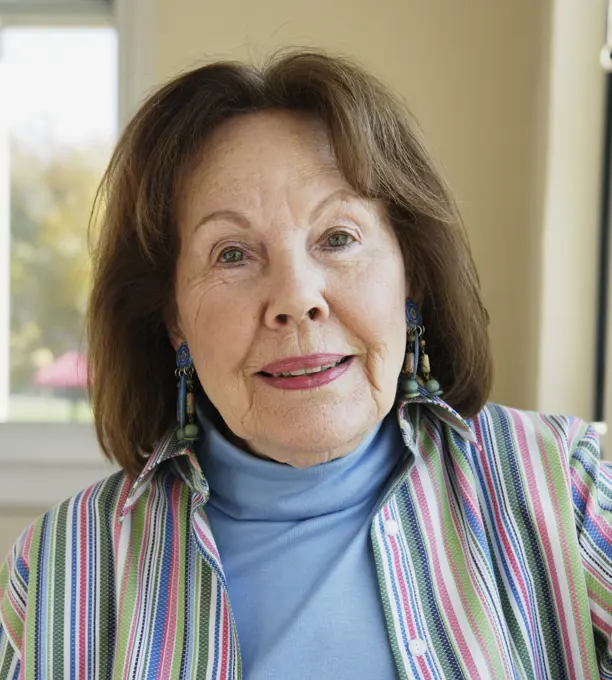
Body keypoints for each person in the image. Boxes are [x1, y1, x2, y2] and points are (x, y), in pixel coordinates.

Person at [0, 49, 610, 680]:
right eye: (232, 253)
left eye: (338, 237)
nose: (296, 299)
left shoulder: (568, 490)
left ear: (413, 277)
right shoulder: (58, 569)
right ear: (174, 316)